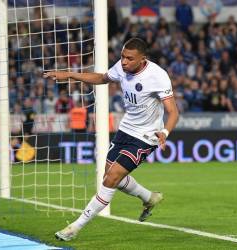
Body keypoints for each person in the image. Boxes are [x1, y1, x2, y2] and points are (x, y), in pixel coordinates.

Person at [43, 37, 179, 241]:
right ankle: (149, 197)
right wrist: (70, 74)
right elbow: (102, 78)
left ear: (142, 59)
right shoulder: (122, 68)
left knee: (111, 177)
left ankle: (75, 227)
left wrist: (165, 132)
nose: (124, 62)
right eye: (122, 56)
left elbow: (173, 112)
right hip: (125, 130)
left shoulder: (158, 76)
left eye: (129, 58)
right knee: (111, 175)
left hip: (146, 136)